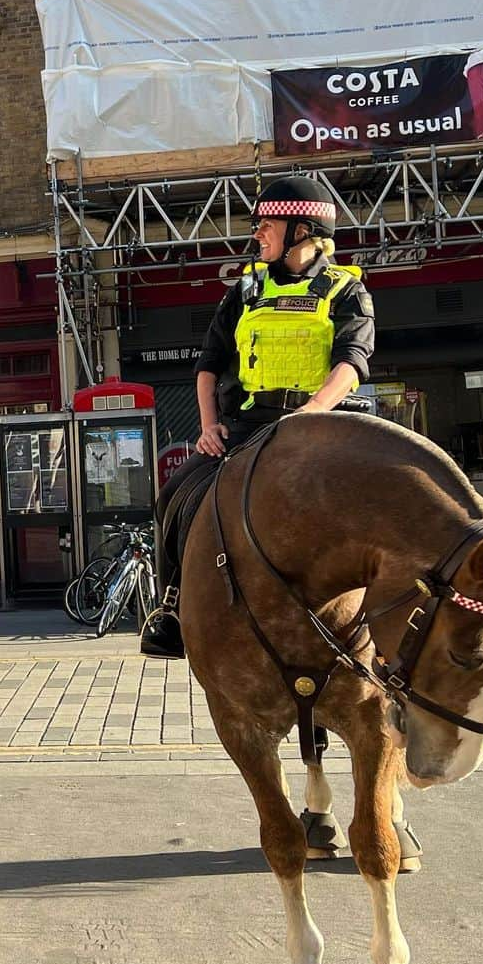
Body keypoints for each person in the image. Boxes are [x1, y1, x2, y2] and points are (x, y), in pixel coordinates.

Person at [139, 176, 376, 659]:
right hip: (247, 429)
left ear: (302, 229)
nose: (258, 234)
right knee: (173, 494)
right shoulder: (245, 289)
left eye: (267, 224)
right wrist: (208, 427)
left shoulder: (347, 291)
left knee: (394, 493)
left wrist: (311, 412)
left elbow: (352, 363)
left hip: (321, 426)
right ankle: (172, 609)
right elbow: (208, 366)